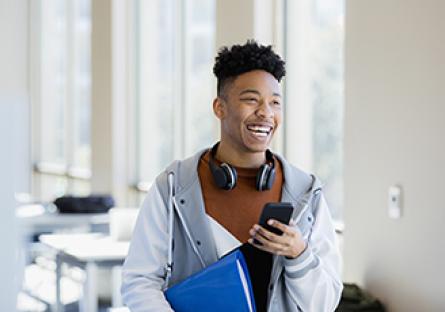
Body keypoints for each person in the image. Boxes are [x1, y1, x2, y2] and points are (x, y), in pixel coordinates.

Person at [121, 40, 343, 311]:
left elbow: (325, 304)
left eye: (275, 102)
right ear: (219, 108)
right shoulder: (174, 185)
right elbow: (140, 281)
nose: (265, 113)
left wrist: (299, 254)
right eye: (251, 100)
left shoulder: (307, 192)